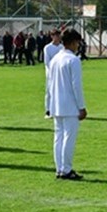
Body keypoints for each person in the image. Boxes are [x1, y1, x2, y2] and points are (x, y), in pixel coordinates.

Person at [47, 29, 87, 180]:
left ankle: (60, 168)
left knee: (58, 137)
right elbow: (76, 85)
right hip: (70, 105)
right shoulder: (73, 60)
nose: (78, 46)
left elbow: (50, 84)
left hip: (57, 104)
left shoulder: (55, 59)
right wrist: (81, 106)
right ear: (72, 42)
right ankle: (67, 169)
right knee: (68, 137)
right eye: (77, 42)